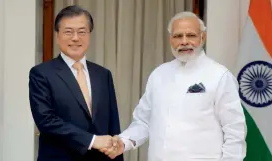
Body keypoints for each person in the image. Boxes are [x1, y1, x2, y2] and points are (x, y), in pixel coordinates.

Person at [104, 12, 247, 161]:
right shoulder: (159, 74)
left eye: (191, 35)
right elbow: (143, 122)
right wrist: (124, 142)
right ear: (170, 39)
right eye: (178, 36)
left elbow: (234, 131)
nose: (184, 41)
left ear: (202, 37)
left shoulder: (219, 76)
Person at [29, 5, 123, 161]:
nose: (75, 38)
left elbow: (113, 125)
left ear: (89, 35)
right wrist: (92, 140)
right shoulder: (41, 73)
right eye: (68, 32)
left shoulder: (103, 74)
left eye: (81, 32)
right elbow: (46, 120)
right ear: (57, 35)